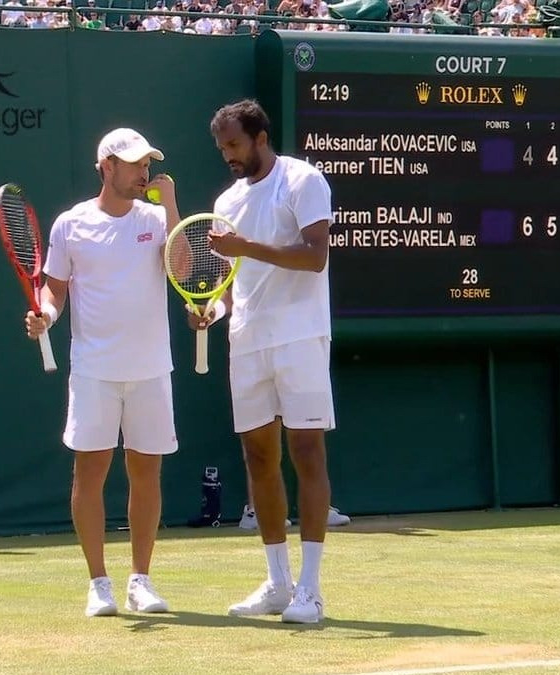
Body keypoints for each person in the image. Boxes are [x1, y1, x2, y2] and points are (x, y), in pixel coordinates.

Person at [24, 128, 181, 617]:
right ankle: (99, 583)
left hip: (151, 368)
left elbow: (182, 267)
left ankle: (141, 580)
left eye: (148, 164)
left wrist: (171, 201)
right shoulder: (70, 224)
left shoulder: (156, 218)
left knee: (146, 474)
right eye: (134, 164)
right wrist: (45, 316)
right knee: (89, 475)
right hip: (94, 369)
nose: (144, 172)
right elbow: (54, 290)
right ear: (107, 166)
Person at [195, 99, 336, 624]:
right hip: (247, 339)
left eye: (233, 144)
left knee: (306, 452)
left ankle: (312, 590)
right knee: (258, 458)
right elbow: (229, 285)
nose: (227, 155)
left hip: (300, 335)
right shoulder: (226, 200)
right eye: (221, 147)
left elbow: (314, 256)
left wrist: (245, 246)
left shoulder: (303, 181)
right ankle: (278, 583)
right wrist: (210, 309)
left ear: (258, 137)